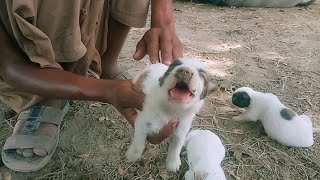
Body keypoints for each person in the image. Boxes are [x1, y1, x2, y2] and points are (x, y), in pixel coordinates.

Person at [0, 0, 183, 172]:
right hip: (27, 57)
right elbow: (10, 66)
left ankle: (107, 62)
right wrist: (108, 90)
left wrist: (162, 19)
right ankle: (47, 93)